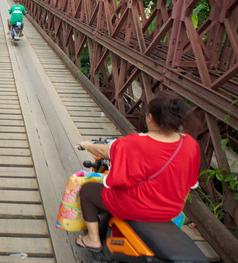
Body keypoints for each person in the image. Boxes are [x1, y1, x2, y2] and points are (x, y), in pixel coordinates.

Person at [74, 95, 201, 251]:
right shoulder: (190, 144)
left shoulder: (134, 143)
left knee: (87, 191)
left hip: (133, 207)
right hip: (170, 210)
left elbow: (103, 151)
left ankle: (92, 239)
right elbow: (190, 183)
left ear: (150, 118)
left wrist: (86, 145)